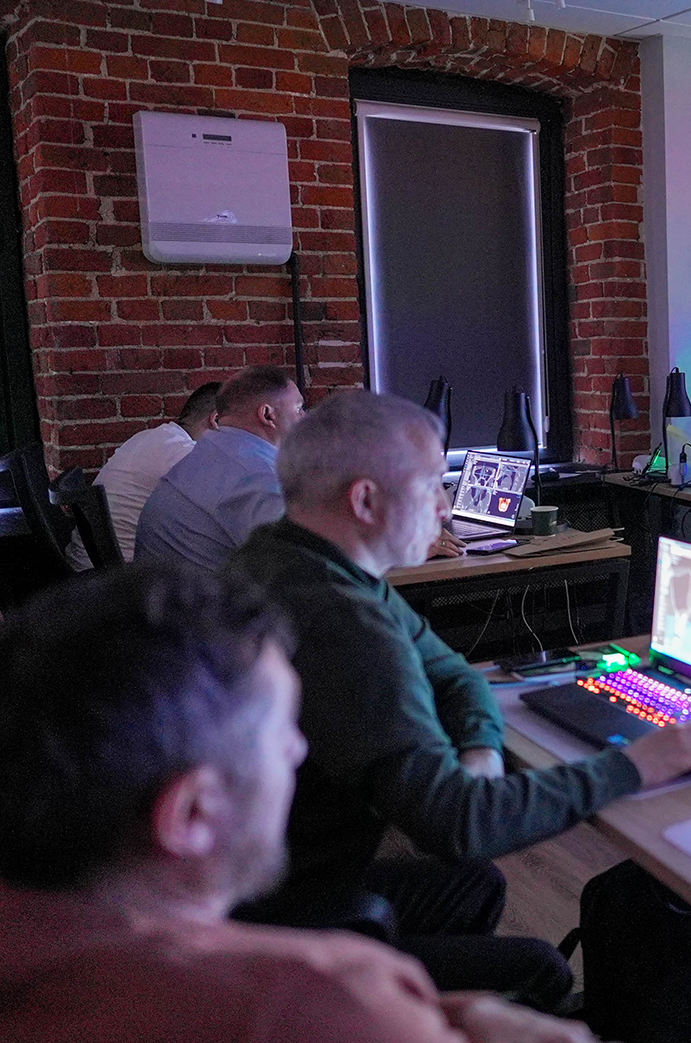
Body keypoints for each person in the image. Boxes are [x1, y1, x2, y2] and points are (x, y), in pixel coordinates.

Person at [226, 391, 691, 1035]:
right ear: (366, 501)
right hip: (280, 917)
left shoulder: (287, 556)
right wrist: (634, 765)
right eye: (432, 486)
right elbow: (460, 825)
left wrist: (482, 749)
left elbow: (456, 674)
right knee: (541, 967)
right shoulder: (345, 627)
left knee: (476, 884)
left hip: (276, 874)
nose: (445, 507)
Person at [0, 561, 592, 1043]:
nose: (298, 748)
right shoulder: (318, 996)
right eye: (281, 732)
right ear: (192, 814)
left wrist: (447, 1015)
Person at [136, 366, 307, 571]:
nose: (305, 417)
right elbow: (298, 567)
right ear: (267, 415)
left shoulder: (212, 452)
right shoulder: (256, 476)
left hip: (167, 586)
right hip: (201, 591)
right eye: (299, 408)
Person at [67, 380, 220, 567]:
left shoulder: (154, 437)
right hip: (120, 575)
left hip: (91, 566)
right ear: (216, 420)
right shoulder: (184, 453)